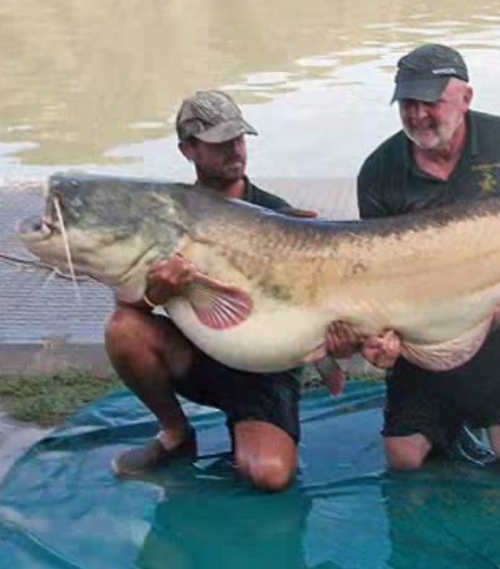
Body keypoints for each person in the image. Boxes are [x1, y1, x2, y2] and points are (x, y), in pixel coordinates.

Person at [354, 43, 500, 476]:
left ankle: (487, 415)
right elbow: (380, 275)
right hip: (424, 343)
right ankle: (444, 420)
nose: (418, 115)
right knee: (404, 457)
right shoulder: (379, 171)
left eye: (431, 102)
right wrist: (381, 335)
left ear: (466, 98)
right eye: (408, 103)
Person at [105, 90, 349, 492]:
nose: (235, 150)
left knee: (270, 476)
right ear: (188, 150)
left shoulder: (278, 214)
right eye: (220, 143)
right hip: (199, 354)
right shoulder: (167, 216)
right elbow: (128, 302)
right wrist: (158, 294)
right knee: (123, 328)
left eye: (239, 139)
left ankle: (256, 426)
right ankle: (175, 434)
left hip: (265, 370)